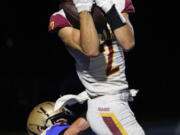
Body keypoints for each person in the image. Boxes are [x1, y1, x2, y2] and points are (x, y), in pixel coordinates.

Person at [49, 0, 145, 134]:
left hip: (119, 100)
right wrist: (84, 9)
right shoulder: (62, 17)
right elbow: (91, 50)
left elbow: (128, 43)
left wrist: (108, 6)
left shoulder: (116, 2)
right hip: (105, 105)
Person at [26, 91, 95, 135]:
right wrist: (97, 108)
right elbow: (71, 132)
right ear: (41, 129)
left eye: (66, 120)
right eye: (60, 121)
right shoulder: (49, 132)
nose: (65, 124)